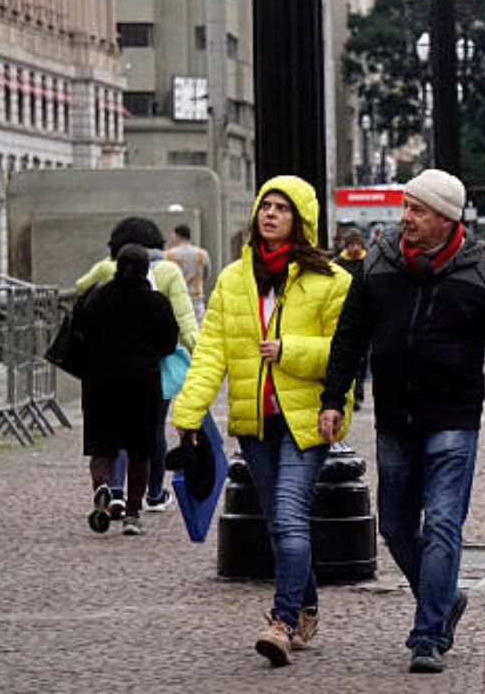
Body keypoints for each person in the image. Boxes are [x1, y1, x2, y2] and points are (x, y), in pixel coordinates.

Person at [316, 169, 485, 674]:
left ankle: (429, 633)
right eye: (406, 207)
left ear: (446, 217)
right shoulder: (378, 262)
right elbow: (350, 336)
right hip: (396, 416)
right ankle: (444, 599)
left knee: (442, 522)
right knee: (396, 526)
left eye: (417, 210)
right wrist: (335, 397)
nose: (406, 218)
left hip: (454, 416)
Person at [171, 176, 355, 666]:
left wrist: (289, 350)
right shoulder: (234, 279)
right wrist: (189, 412)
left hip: (308, 420)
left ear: (301, 220)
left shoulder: (332, 281)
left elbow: (347, 354)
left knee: (290, 517)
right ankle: (308, 604)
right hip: (257, 423)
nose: (270, 214)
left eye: (282, 208)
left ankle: (282, 622)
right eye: (265, 206)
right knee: (278, 522)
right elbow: (212, 351)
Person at [75, 217, 199, 517]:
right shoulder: (166, 278)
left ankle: (110, 489)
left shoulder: (102, 279)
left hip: (101, 377)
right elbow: (179, 327)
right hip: (146, 375)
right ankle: (148, 499)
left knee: (106, 441)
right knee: (148, 437)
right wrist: (202, 357)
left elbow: (81, 314)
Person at [80, 244, 179, 537]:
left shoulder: (97, 297)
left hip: (100, 382)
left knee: (102, 447)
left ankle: (104, 488)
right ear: (146, 269)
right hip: (142, 383)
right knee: (140, 450)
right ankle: (133, 514)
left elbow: (82, 332)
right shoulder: (156, 302)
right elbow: (169, 343)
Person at [336, 228, 369, 410]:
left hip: (364, 316)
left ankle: (358, 395)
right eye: (351, 245)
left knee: (362, 361)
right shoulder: (338, 263)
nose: (354, 248)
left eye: (357, 244)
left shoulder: (369, 262)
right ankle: (347, 393)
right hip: (343, 315)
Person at [165, 224, 211, 321]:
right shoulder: (201, 254)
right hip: (196, 298)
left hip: (177, 298)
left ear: (177, 236)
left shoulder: (169, 255)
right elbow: (207, 274)